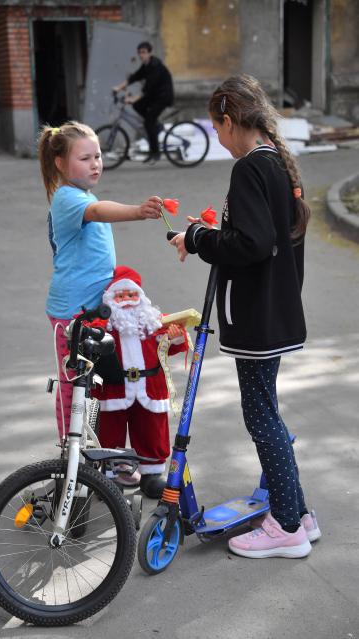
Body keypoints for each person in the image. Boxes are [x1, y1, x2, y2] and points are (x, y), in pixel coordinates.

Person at [170, 74, 321, 559]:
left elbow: (251, 245)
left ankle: (287, 527)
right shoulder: (275, 164)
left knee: (261, 417)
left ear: (230, 121)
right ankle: (297, 511)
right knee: (268, 412)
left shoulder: (250, 169)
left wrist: (198, 240)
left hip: (256, 317)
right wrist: (215, 233)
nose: (217, 137)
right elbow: (264, 236)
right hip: (273, 313)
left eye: (216, 128)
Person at [38, 121, 162, 439]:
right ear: (60, 163)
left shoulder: (82, 194)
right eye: (85, 158)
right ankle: (70, 453)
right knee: (73, 385)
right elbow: (96, 212)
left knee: (95, 385)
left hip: (95, 310)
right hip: (71, 312)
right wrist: (136, 211)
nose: (95, 163)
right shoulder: (68, 198)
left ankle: (92, 455)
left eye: (98, 155)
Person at [91, 265, 188, 499]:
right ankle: (110, 477)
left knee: (151, 430)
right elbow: (89, 332)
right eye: (121, 296)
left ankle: (151, 475)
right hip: (115, 388)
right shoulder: (106, 325)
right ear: (110, 299)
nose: (127, 300)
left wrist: (176, 336)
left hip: (149, 387)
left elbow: (176, 342)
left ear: (140, 296)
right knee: (110, 432)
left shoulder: (153, 321)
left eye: (132, 295)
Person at [113, 41, 174, 165]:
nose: (141, 55)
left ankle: (155, 153)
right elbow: (135, 77)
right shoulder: (145, 65)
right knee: (138, 106)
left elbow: (149, 88)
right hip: (154, 96)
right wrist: (118, 88)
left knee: (148, 122)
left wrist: (133, 98)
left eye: (144, 52)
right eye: (140, 53)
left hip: (163, 97)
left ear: (150, 53)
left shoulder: (155, 66)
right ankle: (154, 125)